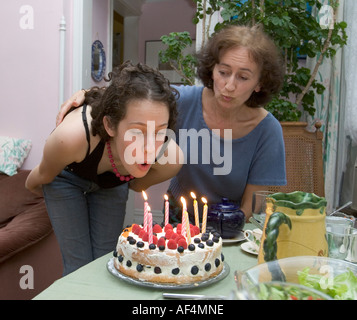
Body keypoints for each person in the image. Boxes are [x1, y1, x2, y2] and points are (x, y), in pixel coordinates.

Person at [57, 25, 286, 226]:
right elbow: (131, 96)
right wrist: (88, 94)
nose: (229, 85)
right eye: (223, 72)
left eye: (243, 77)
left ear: (260, 83)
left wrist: (225, 232)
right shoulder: (184, 101)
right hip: (176, 219)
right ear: (212, 69)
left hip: (230, 225)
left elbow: (252, 207)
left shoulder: (268, 131)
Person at [26, 61, 183, 275]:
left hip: (111, 183)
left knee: (107, 262)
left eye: (160, 132)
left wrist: (124, 174)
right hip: (66, 179)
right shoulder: (71, 137)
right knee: (78, 267)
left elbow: (135, 185)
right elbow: (40, 177)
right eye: (137, 132)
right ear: (110, 125)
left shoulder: (170, 158)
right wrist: (42, 193)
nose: (148, 148)